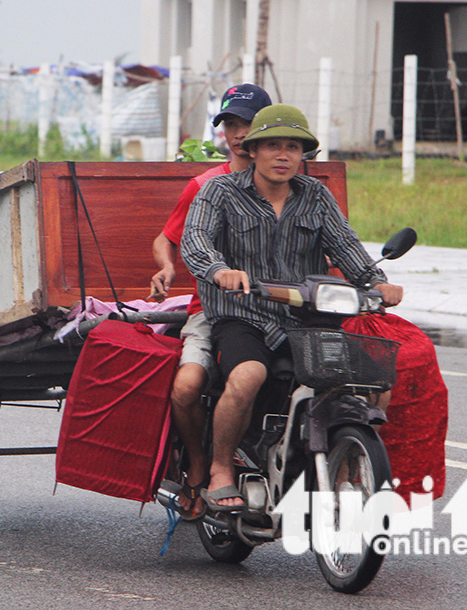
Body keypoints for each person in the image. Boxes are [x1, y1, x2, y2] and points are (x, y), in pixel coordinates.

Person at [180, 103, 403, 511]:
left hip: (307, 318)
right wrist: (219, 271)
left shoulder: (315, 195)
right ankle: (219, 468)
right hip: (241, 314)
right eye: (274, 146)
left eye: (293, 148)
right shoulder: (220, 192)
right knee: (247, 376)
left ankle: (342, 465)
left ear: (304, 155)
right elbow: (195, 240)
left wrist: (376, 283)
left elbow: (347, 246)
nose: (283, 156)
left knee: (366, 381)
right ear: (253, 150)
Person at [149, 84, 272, 521]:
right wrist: (167, 268)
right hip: (215, 308)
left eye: (249, 124)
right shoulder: (207, 185)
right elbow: (171, 238)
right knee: (186, 386)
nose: (239, 134)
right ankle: (201, 467)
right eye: (232, 125)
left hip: (279, 308)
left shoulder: (294, 185)